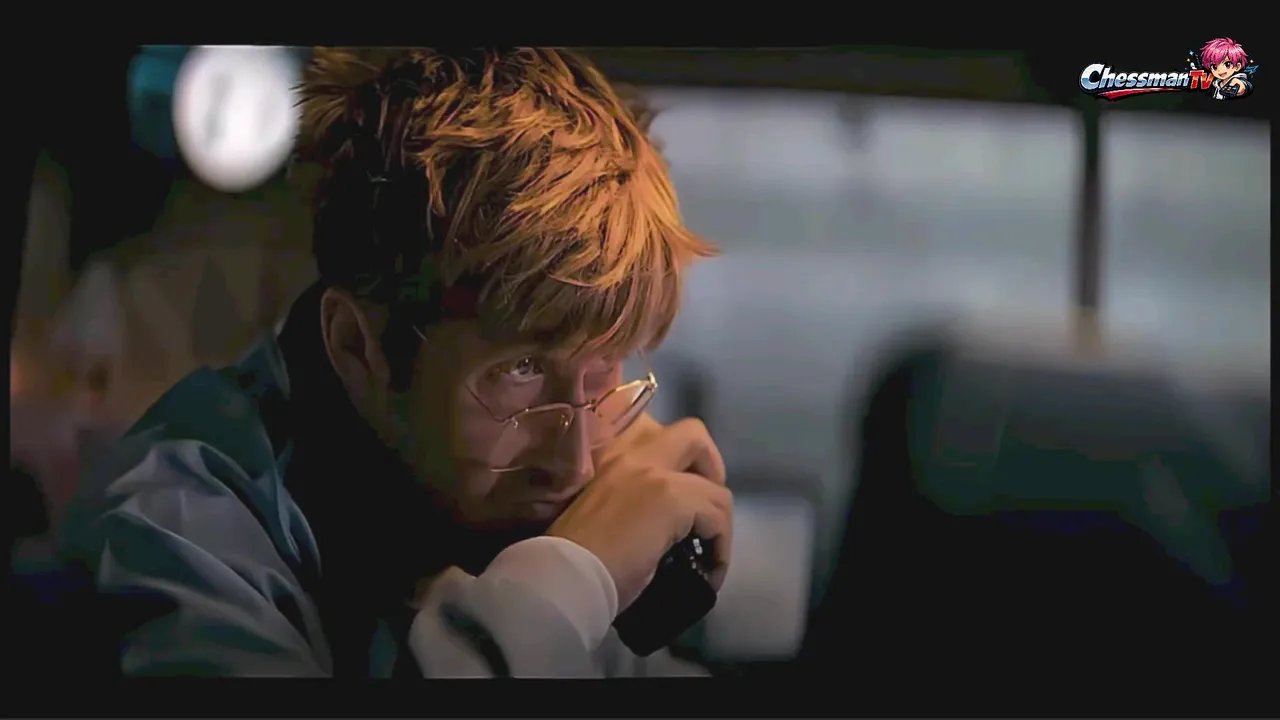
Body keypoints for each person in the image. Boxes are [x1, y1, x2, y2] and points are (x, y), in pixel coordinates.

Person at [59, 48, 732, 678]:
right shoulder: (170, 532)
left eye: (605, 366)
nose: (576, 463)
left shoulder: (502, 498)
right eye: (521, 370)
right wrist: (565, 582)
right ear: (359, 346)